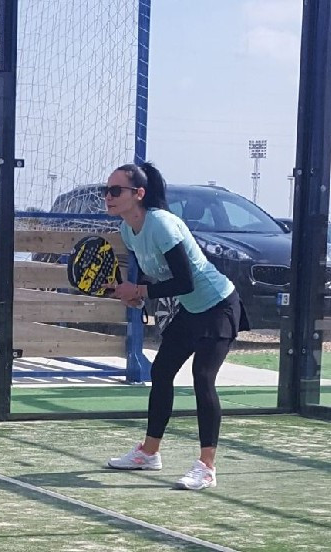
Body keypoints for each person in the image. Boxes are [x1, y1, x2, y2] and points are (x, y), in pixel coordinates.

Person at [102, 162, 249, 490]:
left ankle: (207, 467)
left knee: (202, 378)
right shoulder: (127, 230)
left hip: (219, 305)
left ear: (139, 194)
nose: (108, 196)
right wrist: (136, 295)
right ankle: (149, 453)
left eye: (115, 190)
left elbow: (184, 281)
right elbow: (153, 274)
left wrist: (140, 291)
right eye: (106, 190)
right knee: (161, 371)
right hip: (192, 309)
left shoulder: (162, 224)